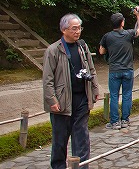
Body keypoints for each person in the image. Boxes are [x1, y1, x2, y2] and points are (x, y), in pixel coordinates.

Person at [42, 14, 101, 169]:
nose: (78, 32)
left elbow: (91, 69)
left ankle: (82, 166)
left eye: (79, 28)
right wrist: (52, 100)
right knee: (60, 140)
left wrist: (95, 88)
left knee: (81, 138)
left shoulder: (82, 46)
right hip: (62, 101)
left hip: (82, 98)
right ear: (64, 30)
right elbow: (47, 79)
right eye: (74, 28)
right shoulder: (53, 50)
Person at [99, 6, 139, 130]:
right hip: (128, 69)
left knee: (114, 95)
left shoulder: (107, 36)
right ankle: (125, 120)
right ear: (122, 23)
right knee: (127, 95)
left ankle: (114, 122)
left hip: (114, 70)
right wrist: (138, 15)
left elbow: (101, 51)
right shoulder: (129, 34)